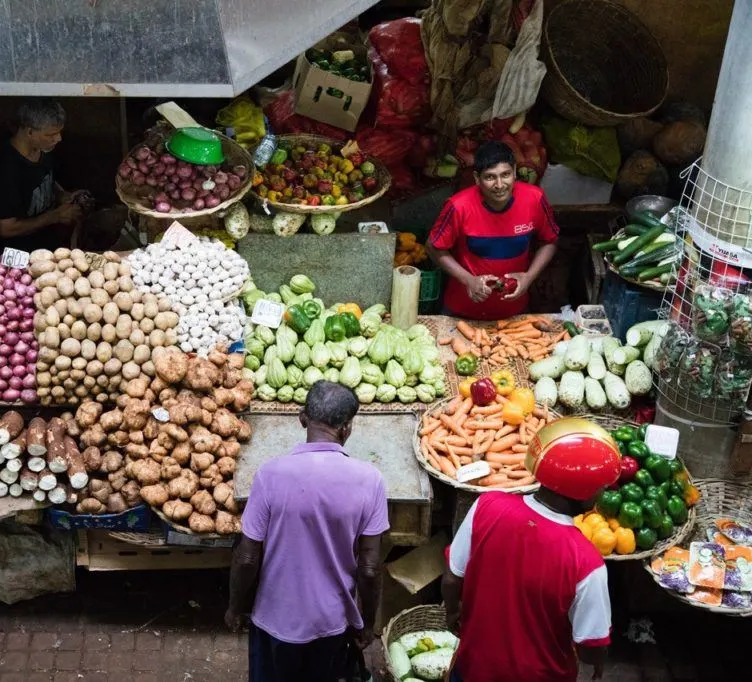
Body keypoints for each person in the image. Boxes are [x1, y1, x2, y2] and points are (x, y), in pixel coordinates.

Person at [226, 381, 389, 682]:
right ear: (347, 428)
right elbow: (369, 567)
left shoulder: (269, 475)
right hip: (332, 622)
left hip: (275, 619)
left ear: (302, 419)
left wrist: (235, 607)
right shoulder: (371, 480)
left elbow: (247, 557)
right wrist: (367, 622)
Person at [442, 418, 621, 681]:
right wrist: (598, 665)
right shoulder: (586, 562)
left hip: (473, 668)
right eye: (602, 487)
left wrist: (452, 613)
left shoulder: (486, 505)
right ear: (585, 493)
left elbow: (451, 577)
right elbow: (591, 648)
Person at [427, 140, 559, 320]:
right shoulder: (458, 206)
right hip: (462, 311)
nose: (499, 185)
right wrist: (468, 280)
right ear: (476, 178)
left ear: (514, 172)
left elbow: (550, 241)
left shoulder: (534, 198)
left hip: (515, 311)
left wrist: (529, 277)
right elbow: (433, 247)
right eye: (490, 177)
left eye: (505, 175)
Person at [0, 98, 93, 257]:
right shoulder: (5, 168)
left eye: (59, 132)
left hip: (46, 244)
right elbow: (7, 228)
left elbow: (45, 180)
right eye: (51, 134)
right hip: (18, 254)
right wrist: (56, 216)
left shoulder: (43, 149)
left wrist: (62, 195)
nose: (59, 138)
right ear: (29, 132)